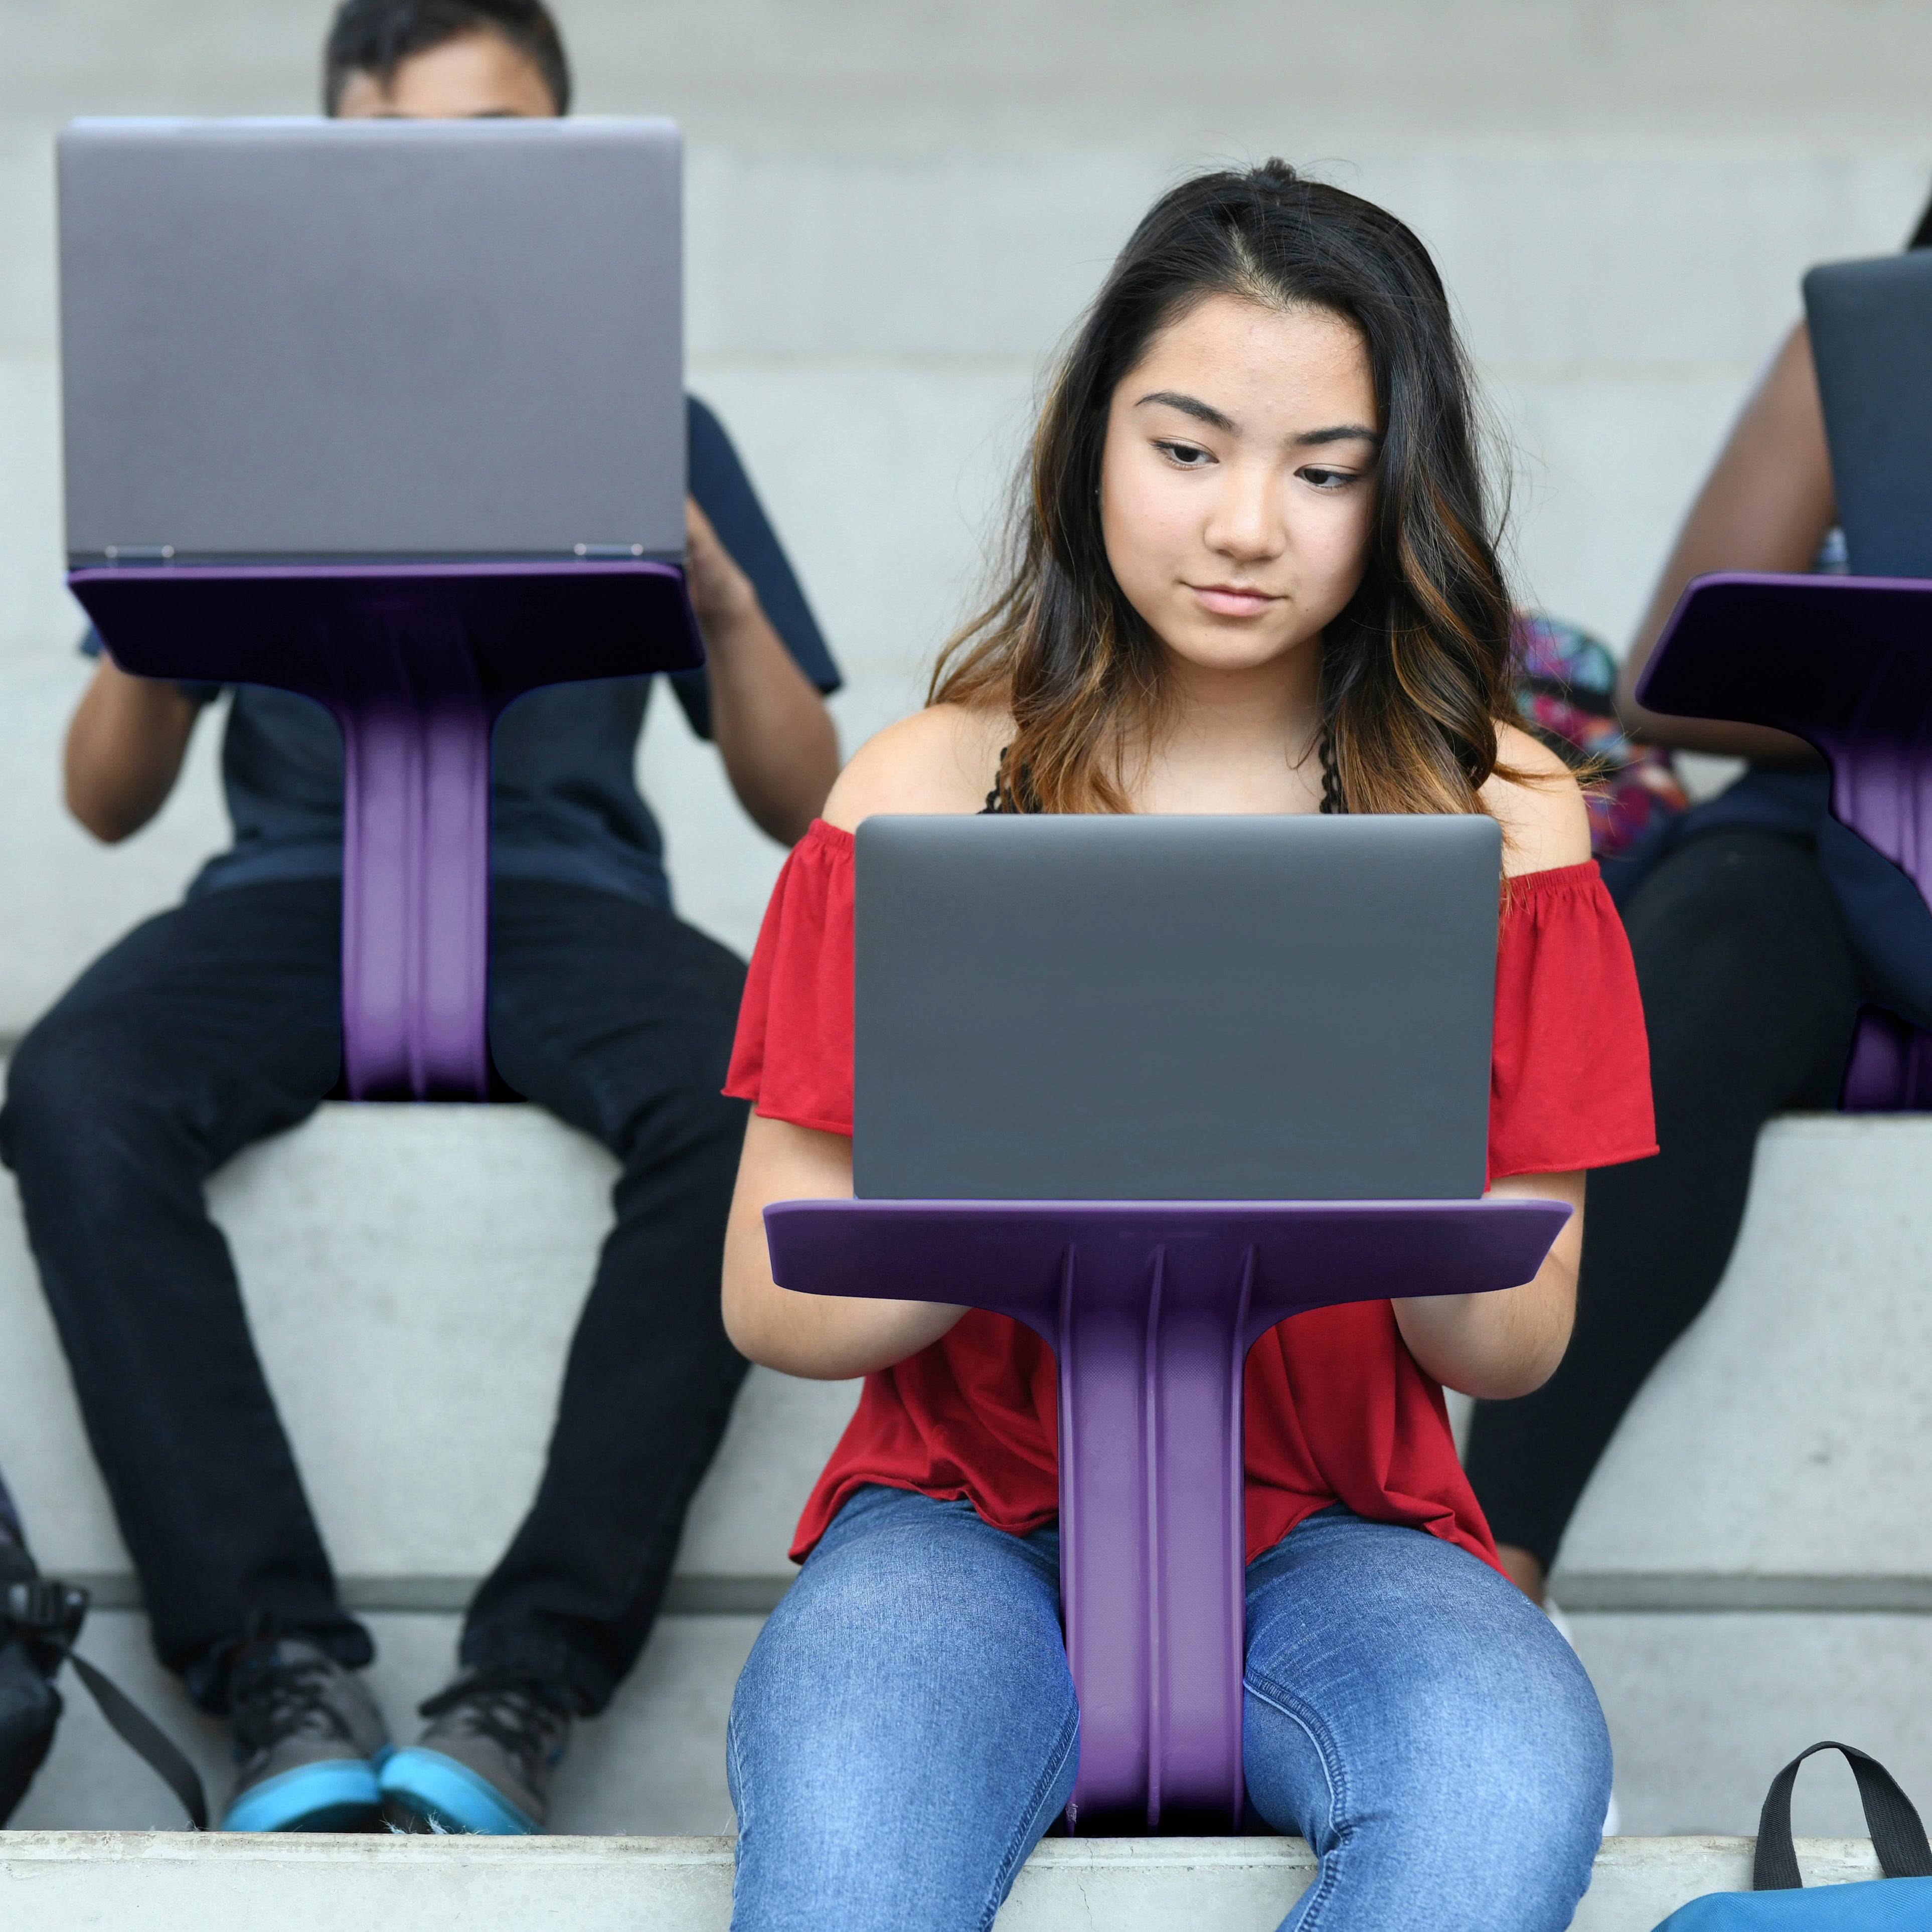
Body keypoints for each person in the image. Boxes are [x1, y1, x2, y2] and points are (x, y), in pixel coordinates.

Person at [715, 163, 1656, 1931]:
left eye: (1323, 475)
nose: (1246, 527)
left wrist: (1367, 1154)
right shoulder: (923, 788)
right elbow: (772, 1302)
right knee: (850, 1854)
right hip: (959, 1519)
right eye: (1187, 449)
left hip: (1335, 1527)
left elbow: (1512, 1339)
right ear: (1091, 446)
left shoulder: (1501, 818)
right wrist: (1031, 1160)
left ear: (1401, 498)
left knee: (1500, 1774)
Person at [0, 0, 841, 1836]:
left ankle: (526, 1679)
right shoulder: (240, 399)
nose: (480, 191)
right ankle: (271, 1668)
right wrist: (164, 566)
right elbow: (101, 795)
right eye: (430, 147)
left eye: (523, 147)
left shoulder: (654, 408)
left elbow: (800, 798)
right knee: (71, 1087)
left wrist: (714, 591)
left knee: (762, 1091)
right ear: (337, 160)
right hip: (289, 896)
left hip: (563, 893)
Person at [1463, 191, 1932, 1609]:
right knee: (1704, 950)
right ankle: (1493, 1567)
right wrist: (1887, 693)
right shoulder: (1876, 340)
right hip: (1845, 812)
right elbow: (1671, 669)